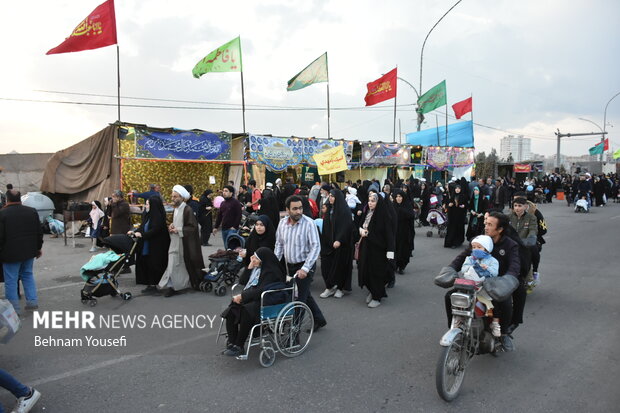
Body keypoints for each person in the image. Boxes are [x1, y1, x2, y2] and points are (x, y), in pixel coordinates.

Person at [446, 212, 521, 351]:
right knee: (450, 296)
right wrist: (450, 269)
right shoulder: (478, 241)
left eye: (490, 225)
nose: (485, 227)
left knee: (504, 302)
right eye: (486, 223)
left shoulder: (511, 245)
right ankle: (455, 329)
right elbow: (462, 257)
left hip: (497, 284)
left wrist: (507, 280)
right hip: (475, 283)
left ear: (500, 229)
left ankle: (503, 334)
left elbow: (514, 266)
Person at [274, 195, 327, 331]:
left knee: (298, 299)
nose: (298, 211)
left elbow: (316, 247)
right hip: (290, 266)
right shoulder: (282, 224)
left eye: (301, 208)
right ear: (287, 210)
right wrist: (274, 263)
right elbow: (279, 245)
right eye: (295, 209)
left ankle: (294, 334)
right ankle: (319, 319)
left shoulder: (309, 223)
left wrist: (305, 268)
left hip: (305, 265)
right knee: (305, 294)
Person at [221, 247, 285, 356]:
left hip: (267, 299)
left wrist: (242, 296)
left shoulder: (271, 272)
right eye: (253, 257)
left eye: (256, 258)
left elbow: (261, 290)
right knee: (232, 310)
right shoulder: (258, 268)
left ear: (263, 259)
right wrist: (249, 267)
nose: (253, 260)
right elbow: (242, 281)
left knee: (247, 310)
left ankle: (239, 345)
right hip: (255, 297)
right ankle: (232, 342)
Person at [0, 189, 43, 313]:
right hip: (29, 252)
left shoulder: (2, 214)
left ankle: (14, 309)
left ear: (7, 199)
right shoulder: (31, 211)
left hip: (10, 254)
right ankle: (32, 302)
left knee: (11, 281)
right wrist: (38, 248)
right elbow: (38, 233)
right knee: (27, 275)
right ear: (20, 199)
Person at [157, 185, 205, 297]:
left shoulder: (187, 209)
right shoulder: (176, 209)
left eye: (175, 196)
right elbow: (178, 223)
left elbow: (193, 228)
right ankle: (174, 286)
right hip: (175, 241)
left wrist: (177, 229)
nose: (173, 198)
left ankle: (173, 287)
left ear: (182, 197)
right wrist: (172, 226)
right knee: (175, 264)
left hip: (183, 243)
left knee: (175, 265)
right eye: (172, 196)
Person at [457, 235, 501, 337]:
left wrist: (487, 269)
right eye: (474, 247)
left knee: (496, 303)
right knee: (458, 299)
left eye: (479, 247)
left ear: (487, 249)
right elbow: (463, 269)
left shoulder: (492, 261)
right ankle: (458, 319)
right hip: (469, 287)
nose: (476, 249)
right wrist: (472, 267)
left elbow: (495, 272)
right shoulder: (470, 259)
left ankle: (495, 323)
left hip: (485, 289)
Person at [357, 192, 395, 308]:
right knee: (365, 270)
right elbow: (360, 225)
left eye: (373, 201)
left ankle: (377, 296)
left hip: (378, 250)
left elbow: (389, 235)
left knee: (376, 272)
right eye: (369, 200)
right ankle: (372, 291)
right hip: (366, 247)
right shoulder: (367, 212)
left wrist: (390, 252)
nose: (370, 203)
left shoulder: (384, 215)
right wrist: (361, 231)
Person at [130, 196, 170, 294]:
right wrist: (134, 231)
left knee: (154, 265)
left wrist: (142, 235)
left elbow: (155, 230)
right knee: (148, 264)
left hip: (156, 246)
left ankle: (154, 285)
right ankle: (150, 284)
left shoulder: (158, 217)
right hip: (148, 244)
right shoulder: (148, 215)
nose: (145, 206)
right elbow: (143, 227)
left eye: (147, 204)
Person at [319, 189, 353, 299]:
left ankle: (340, 288)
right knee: (326, 265)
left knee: (340, 267)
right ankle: (329, 287)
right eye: (329, 196)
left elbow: (346, 227)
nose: (330, 198)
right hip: (329, 244)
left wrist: (339, 240)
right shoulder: (329, 209)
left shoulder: (344, 210)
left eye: (332, 196)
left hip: (342, 245)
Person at [239, 215, 276, 282]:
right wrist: (244, 255)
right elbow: (248, 255)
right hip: (252, 268)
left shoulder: (271, 238)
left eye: (262, 225)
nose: (258, 227)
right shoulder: (252, 237)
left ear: (267, 226)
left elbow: (274, 257)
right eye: (257, 225)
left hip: (266, 272)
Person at [393, 189, 415, 274]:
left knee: (404, 250)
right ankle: (394, 265)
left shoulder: (407, 206)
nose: (398, 198)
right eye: (397, 197)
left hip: (405, 232)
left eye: (400, 196)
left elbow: (411, 216)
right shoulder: (393, 206)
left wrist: (401, 211)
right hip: (395, 232)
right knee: (395, 249)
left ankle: (402, 266)